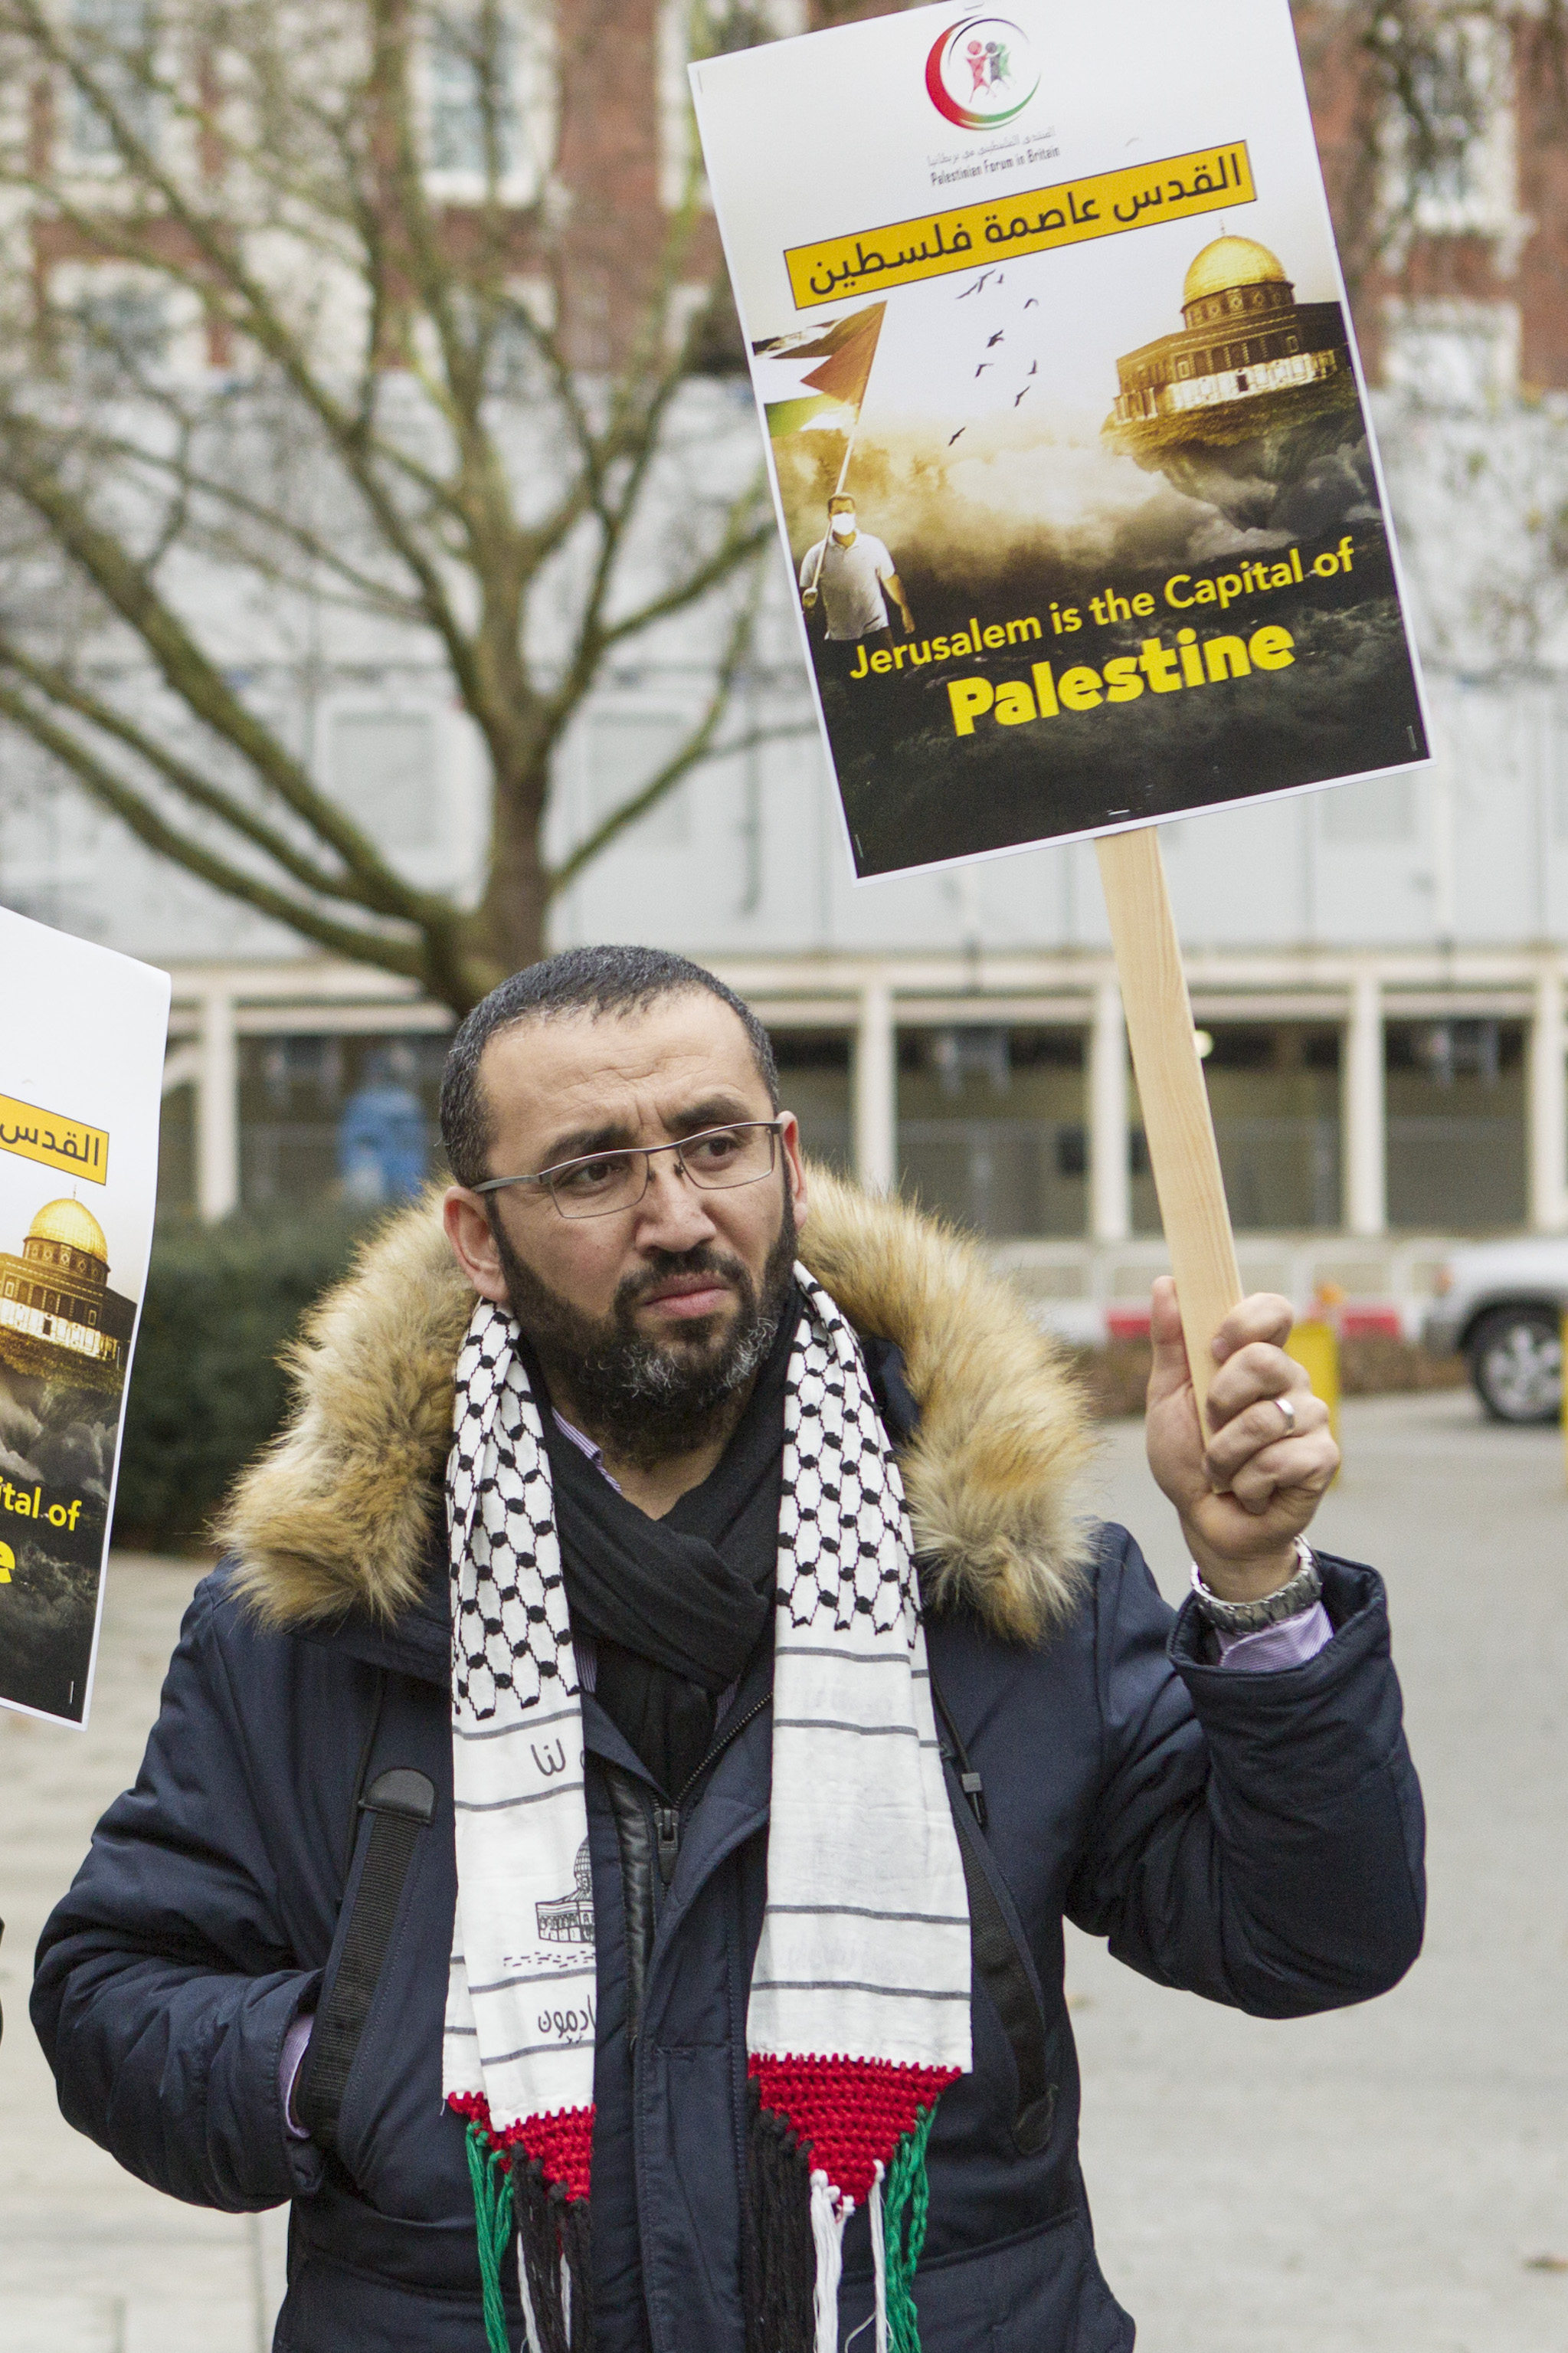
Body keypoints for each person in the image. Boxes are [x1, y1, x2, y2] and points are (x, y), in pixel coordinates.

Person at [32, 945, 1425, 2353]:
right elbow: (114, 1991)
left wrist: (1251, 1580)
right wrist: (344, 2070)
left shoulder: (1002, 1578)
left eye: (714, 1145)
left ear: (790, 1166)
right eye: (590, 1169)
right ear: (476, 1240)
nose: (675, 1214)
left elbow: (1313, 1937)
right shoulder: (326, 1615)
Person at [799, 493, 915, 670]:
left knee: (890, 683)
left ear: (855, 513)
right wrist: (808, 608)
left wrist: (904, 608)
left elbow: (891, 580)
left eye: (848, 511)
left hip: (877, 631)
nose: (843, 516)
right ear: (829, 517)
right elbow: (805, 596)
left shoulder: (873, 545)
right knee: (856, 692)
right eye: (838, 513)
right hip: (841, 638)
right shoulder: (816, 555)